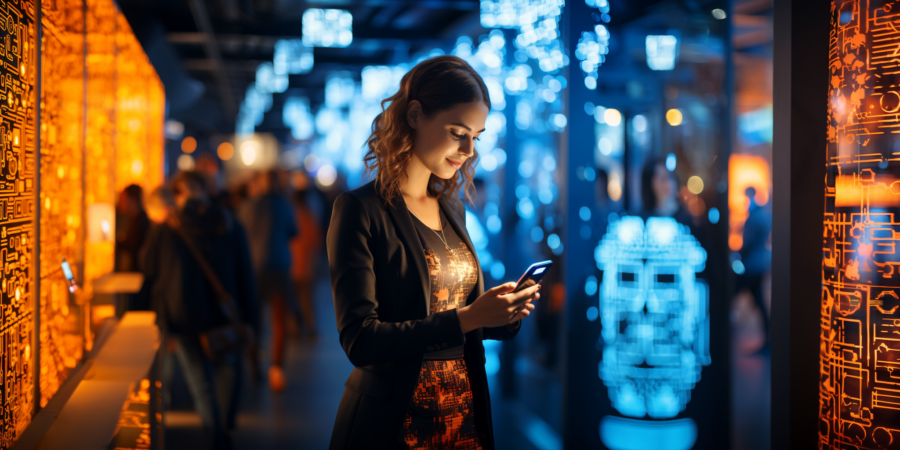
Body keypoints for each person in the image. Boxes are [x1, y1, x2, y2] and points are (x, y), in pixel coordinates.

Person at [327, 55, 540, 450]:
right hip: (396, 420)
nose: (469, 149)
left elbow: (461, 319)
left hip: (462, 416)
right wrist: (467, 318)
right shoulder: (361, 210)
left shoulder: (451, 207)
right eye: (458, 131)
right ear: (414, 114)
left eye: (476, 135)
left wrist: (500, 315)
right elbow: (360, 341)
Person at [142, 172, 257, 450]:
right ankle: (227, 426)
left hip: (184, 318)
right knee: (228, 370)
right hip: (224, 314)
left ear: (178, 196)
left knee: (199, 383)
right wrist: (250, 316)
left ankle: (215, 433)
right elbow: (245, 273)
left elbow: (149, 269)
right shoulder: (229, 223)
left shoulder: (167, 227)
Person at [237, 170, 300, 391]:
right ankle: (276, 368)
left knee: (255, 321)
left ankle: (254, 367)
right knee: (279, 320)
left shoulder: (248, 206)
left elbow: (240, 234)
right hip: (280, 267)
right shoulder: (285, 206)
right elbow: (293, 232)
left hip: (254, 269)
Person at [737, 186, 773, 350]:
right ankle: (768, 339)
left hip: (752, 266)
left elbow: (749, 242)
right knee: (759, 303)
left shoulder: (755, 216)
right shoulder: (761, 214)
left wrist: (738, 255)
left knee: (732, 294)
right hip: (757, 264)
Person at [289, 187, 322, 338]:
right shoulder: (309, 215)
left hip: (290, 264)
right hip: (307, 264)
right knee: (307, 299)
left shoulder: (289, 214)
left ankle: (295, 328)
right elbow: (316, 240)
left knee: (291, 299)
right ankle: (310, 327)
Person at [639, 157, 693, 229]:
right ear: (649, 184)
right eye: (662, 179)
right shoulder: (641, 222)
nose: (669, 184)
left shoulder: (687, 221)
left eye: (670, 177)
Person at [116, 184, 150, 272]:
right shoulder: (135, 220)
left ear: (133, 199)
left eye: (124, 198)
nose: (120, 201)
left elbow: (134, 248)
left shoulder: (142, 223)